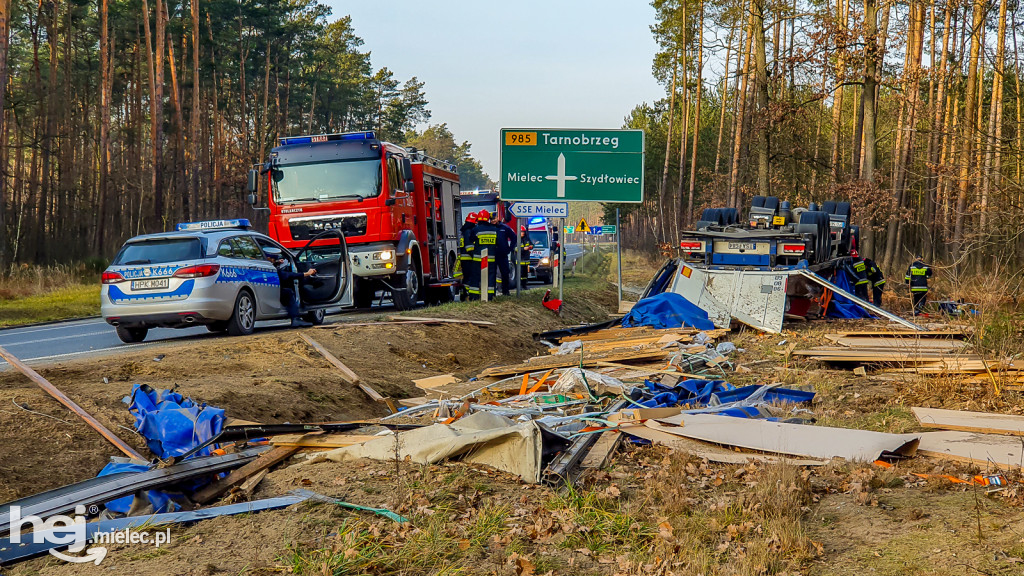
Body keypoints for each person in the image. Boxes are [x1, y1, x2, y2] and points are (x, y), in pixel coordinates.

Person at [263, 246, 317, 327]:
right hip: (269, 291)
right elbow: (286, 275)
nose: (274, 261)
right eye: (273, 259)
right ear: (268, 258)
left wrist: (276, 263)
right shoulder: (265, 266)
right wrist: (306, 274)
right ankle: (295, 318)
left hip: (264, 289)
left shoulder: (258, 262)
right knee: (288, 292)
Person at [468, 210, 498, 300]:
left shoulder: (476, 229)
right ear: (488, 218)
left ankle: (474, 297)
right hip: (491, 259)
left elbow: (470, 240)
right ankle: (489, 297)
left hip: (478, 260)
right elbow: (499, 244)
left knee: (475, 278)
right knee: (491, 277)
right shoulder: (494, 230)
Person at [493, 212, 515, 296]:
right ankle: (492, 292)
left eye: (494, 219)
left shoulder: (505, 228)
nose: (493, 221)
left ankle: (505, 291)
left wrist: (510, 249)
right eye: (491, 220)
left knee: (505, 273)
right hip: (492, 255)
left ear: (498, 218)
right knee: (492, 274)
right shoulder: (490, 228)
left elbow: (514, 237)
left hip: (502, 255)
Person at [457, 212, 478, 294]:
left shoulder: (465, 230)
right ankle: (468, 294)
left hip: (464, 258)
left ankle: (465, 294)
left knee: (466, 278)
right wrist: (475, 256)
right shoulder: (469, 231)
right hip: (468, 259)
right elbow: (469, 247)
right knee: (469, 278)